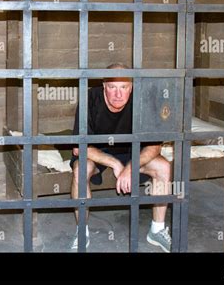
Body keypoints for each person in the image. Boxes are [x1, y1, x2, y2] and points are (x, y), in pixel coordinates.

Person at [70, 63, 172, 252]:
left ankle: (157, 230)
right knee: (80, 169)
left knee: (163, 167)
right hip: (98, 152)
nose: (118, 94)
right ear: (103, 86)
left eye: (124, 87)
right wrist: (115, 164)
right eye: (112, 87)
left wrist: (130, 167)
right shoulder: (90, 98)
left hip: (133, 151)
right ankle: (81, 231)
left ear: (132, 87)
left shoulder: (144, 98)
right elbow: (79, 147)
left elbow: (155, 145)